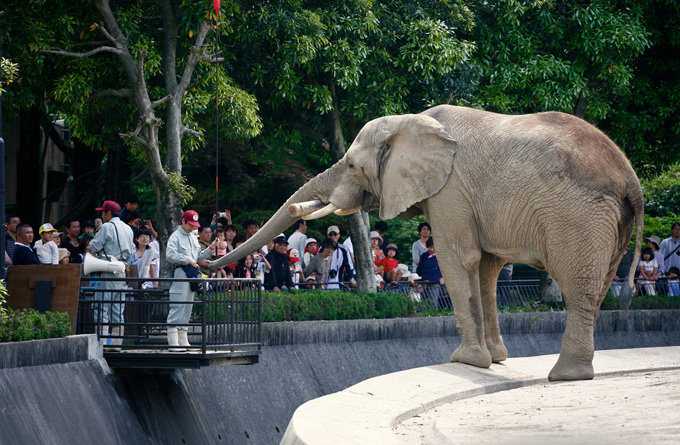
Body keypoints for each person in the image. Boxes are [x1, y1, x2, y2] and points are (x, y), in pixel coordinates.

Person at [165, 210, 216, 350]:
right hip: (181, 272)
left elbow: (198, 257)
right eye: (191, 225)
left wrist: (210, 249)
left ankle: (183, 339)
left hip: (192, 274)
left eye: (195, 225)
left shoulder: (193, 237)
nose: (193, 228)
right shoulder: (175, 237)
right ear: (183, 221)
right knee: (178, 304)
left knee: (188, 306)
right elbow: (169, 255)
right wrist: (187, 259)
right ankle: (173, 342)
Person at [89, 200, 135, 350]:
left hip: (107, 269)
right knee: (118, 307)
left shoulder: (106, 227)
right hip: (121, 270)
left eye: (102, 212)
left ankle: (100, 344)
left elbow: (94, 247)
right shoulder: (128, 228)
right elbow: (132, 251)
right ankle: (116, 344)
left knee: (102, 305)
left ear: (108, 213)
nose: (102, 216)